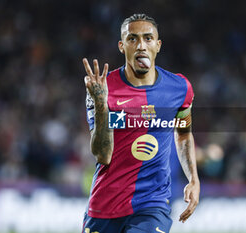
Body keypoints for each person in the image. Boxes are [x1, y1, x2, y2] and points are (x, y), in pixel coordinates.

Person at [82, 13, 200, 233]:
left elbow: (183, 133)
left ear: (158, 45)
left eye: (147, 38)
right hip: (105, 205)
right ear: (121, 45)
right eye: (132, 39)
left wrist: (193, 179)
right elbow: (102, 154)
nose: (141, 45)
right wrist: (101, 104)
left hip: (152, 204)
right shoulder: (103, 89)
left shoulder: (180, 88)